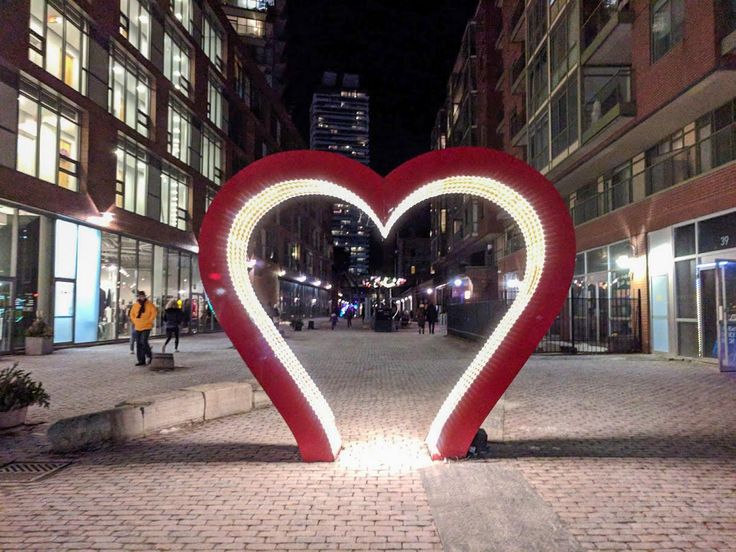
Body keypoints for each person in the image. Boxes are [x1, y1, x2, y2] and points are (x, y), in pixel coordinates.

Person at [129, 290, 158, 366]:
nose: (141, 297)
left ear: (145, 296)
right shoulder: (135, 305)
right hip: (138, 326)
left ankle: (149, 355)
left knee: (144, 342)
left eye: (142, 296)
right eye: (140, 296)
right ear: (138, 297)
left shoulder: (150, 305)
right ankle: (141, 360)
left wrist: (149, 320)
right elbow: (131, 314)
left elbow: (154, 313)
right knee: (138, 343)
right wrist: (135, 321)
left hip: (147, 326)